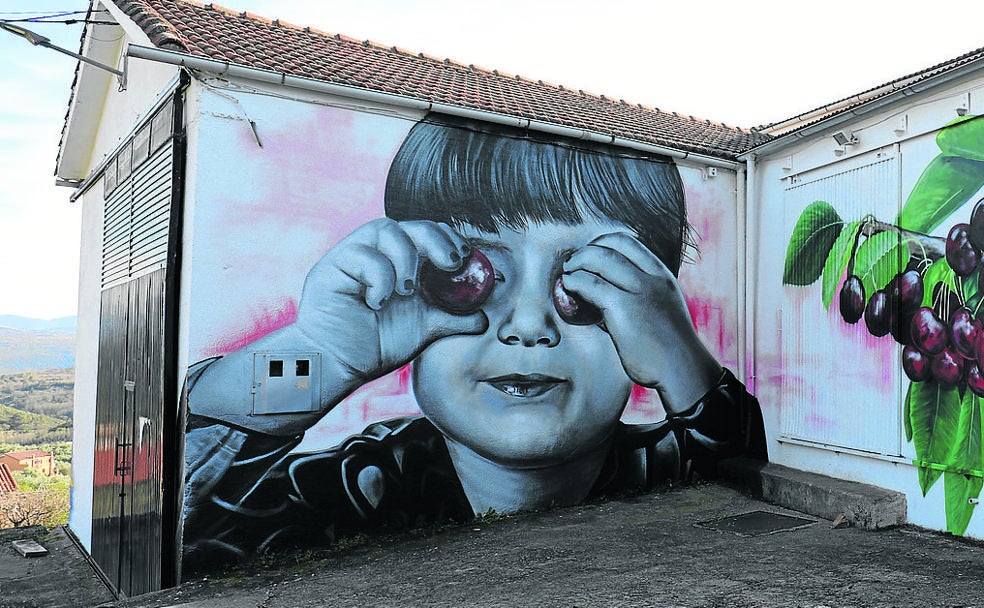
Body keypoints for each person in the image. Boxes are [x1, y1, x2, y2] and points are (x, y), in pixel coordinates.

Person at [181, 114, 766, 567]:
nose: (529, 325)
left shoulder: (677, 468)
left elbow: (756, 488)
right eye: (472, 274)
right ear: (411, 282)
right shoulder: (354, 489)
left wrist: (682, 361)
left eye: (586, 282)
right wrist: (322, 354)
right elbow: (184, 514)